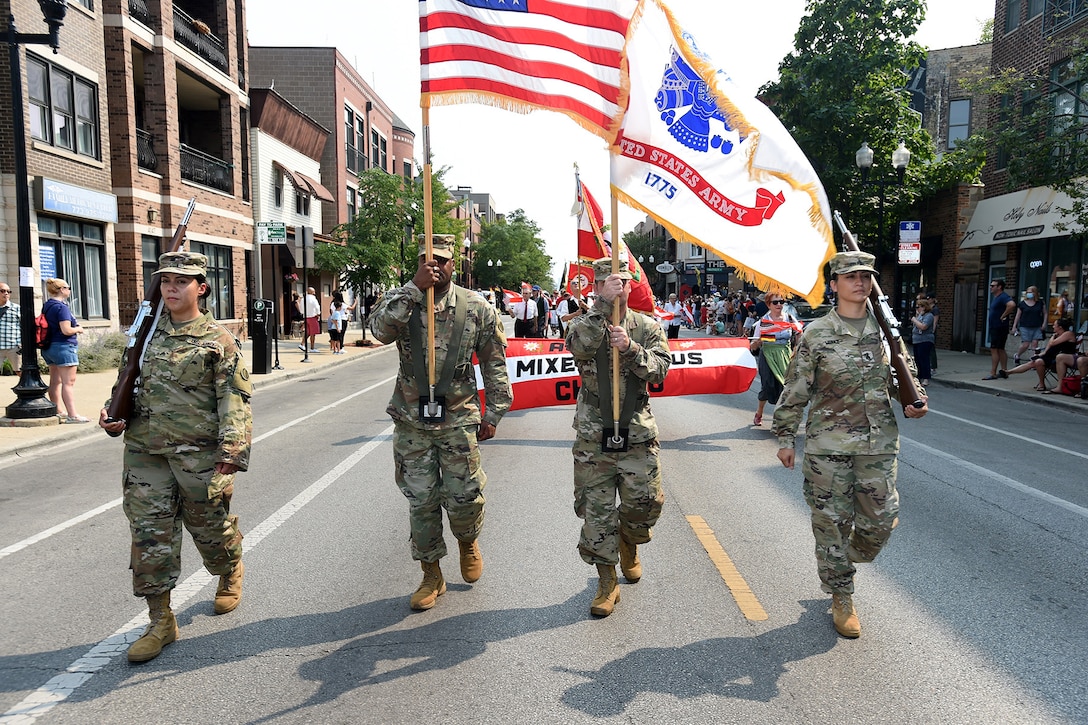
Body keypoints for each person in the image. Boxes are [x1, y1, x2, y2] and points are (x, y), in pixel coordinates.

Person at [99, 252, 252, 663]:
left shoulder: (218, 340)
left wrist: (232, 452)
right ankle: (160, 620)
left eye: (181, 281)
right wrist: (112, 415)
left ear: (201, 287)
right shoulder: (146, 333)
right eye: (166, 279)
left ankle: (228, 567)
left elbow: (233, 400)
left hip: (198, 455)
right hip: (146, 453)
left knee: (209, 530)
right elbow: (125, 383)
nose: (171, 287)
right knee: (150, 536)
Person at [773, 251, 928, 639]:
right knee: (831, 524)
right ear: (835, 285)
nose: (860, 282)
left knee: (880, 521)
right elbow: (796, 389)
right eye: (852, 276)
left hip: (878, 446)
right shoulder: (817, 333)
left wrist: (914, 399)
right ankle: (841, 594)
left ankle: (842, 563)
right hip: (829, 447)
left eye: (866, 276)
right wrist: (786, 436)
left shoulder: (885, 332)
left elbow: (903, 375)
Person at [368, 235, 512, 611]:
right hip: (412, 420)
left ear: (455, 262)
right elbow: (379, 332)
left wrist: (494, 411)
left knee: (464, 497)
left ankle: (468, 541)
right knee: (421, 501)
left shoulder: (476, 307)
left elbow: (495, 362)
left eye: (443, 261)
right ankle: (431, 573)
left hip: (459, 417)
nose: (436, 267)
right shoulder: (402, 300)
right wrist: (415, 288)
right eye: (427, 260)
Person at [565, 257, 671, 617]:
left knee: (645, 506)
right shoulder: (585, 323)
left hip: (636, 432)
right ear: (596, 288)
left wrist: (630, 349)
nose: (617, 288)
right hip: (595, 435)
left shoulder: (647, 327)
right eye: (608, 283)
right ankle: (607, 581)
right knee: (596, 514)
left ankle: (630, 540)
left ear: (630, 286)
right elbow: (577, 347)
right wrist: (600, 309)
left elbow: (659, 373)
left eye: (622, 283)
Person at [750, 289, 802, 426]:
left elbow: (799, 334)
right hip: (767, 355)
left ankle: (780, 418)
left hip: (785, 354)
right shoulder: (763, 322)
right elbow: (753, 345)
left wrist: (795, 348)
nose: (779, 305)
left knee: (785, 387)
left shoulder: (789, 318)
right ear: (768, 305)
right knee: (767, 386)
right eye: (775, 302)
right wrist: (757, 342)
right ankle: (759, 412)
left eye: (781, 302)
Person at [42, 278, 88, 422]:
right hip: (64, 346)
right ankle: (72, 415)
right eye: (67, 288)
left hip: (49, 347)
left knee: (55, 381)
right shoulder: (61, 308)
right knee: (68, 382)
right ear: (61, 290)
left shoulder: (47, 305)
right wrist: (78, 329)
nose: (69, 290)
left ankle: (58, 410)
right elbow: (66, 330)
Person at [999, 317, 1077, 392]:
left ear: (1060, 327)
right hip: (1051, 356)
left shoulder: (1068, 334)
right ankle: (1008, 372)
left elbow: (1053, 343)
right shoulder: (1056, 335)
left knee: (1038, 362)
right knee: (1033, 362)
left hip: (1062, 358)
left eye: (1054, 325)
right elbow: (1049, 347)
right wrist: (1043, 353)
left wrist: (1053, 337)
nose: (1053, 327)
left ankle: (1041, 384)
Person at [985, 279, 1015, 380]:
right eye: (990, 285)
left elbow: (1012, 305)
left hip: (998, 327)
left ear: (999, 287)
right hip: (997, 326)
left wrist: (1003, 316)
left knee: (994, 349)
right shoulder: (997, 297)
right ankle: (1004, 371)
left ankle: (993, 372)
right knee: (1001, 349)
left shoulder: (1003, 297)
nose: (991, 287)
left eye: (993, 286)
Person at [1011, 285, 1046, 365]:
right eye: (1028, 292)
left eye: (1031, 292)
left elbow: (1045, 313)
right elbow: (1018, 315)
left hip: (1037, 325)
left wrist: (1044, 324)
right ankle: (1017, 355)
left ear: (1035, 293)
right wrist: (1014, 326)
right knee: (1026, 344)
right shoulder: (1022, 304)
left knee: (1035, 344)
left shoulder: (1040, 303)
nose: (1029, 294)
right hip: (1025, 326)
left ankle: (1033, 361)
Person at [909, 298, 936, 385]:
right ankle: (919, 377)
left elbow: (923, 326)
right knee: (917, 359)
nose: (917, 309)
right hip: (917, 340)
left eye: (919, 307)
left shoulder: (929, 316)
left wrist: (914, 320)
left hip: (925, 340)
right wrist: (917, 317)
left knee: (924, 359)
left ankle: (926, 378)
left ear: (924, 307)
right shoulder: (920, 316)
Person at [0, 282, 20, 374]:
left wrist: (21, 343)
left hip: (13, 346)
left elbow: (24, 326)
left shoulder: (16, 308)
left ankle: (27, 388)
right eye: (3, 291)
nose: (6, 293)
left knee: (20, 371)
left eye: (8, 291)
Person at [299, 286, 320, 353]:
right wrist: (318, 313)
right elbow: (317, 307)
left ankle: (302, 344)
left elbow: (301, 308)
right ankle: (312, 347)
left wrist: (303, 313)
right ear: (312, 292)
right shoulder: (313, 299)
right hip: (312, 316)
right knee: (313, 333)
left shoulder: (303, 299)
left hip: (306, 317)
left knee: (307, 332)